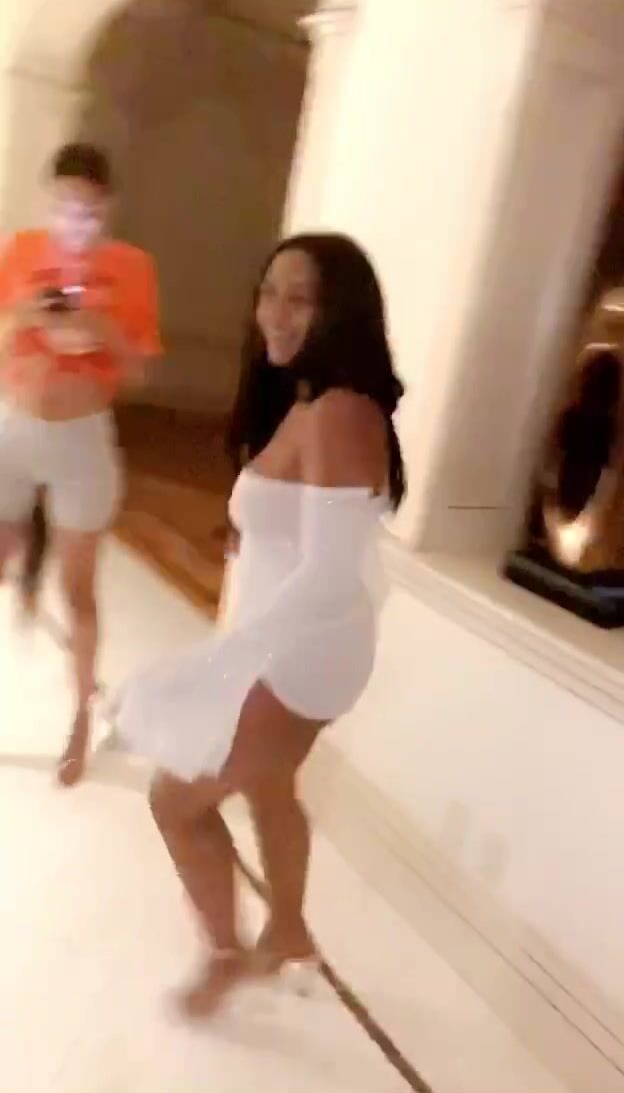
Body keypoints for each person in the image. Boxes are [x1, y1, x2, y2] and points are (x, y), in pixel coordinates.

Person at [109, 232, 406, 1016]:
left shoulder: (340, 413)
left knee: (175, 801)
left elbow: (329, 573)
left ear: (340, 313)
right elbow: (310, 542)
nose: (273, 312)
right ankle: (289, 933)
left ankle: (227, 954)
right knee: (272, 787)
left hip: (302, 651)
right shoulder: (314, 402)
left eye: (298, 298)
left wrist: (212, 664)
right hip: (298, 638)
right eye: (268, 292)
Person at [0, 142, 161, 786]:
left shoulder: (131, 267)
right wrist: (24, 315)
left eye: (89, 209)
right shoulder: (21, 251)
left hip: (81, 438)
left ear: (108, 207)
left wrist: (102, 327)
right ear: (50, 200)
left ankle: (79, 719)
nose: (76, 218)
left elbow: (140, 373)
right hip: (13, 427)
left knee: (77, 590)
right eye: (66, 204)